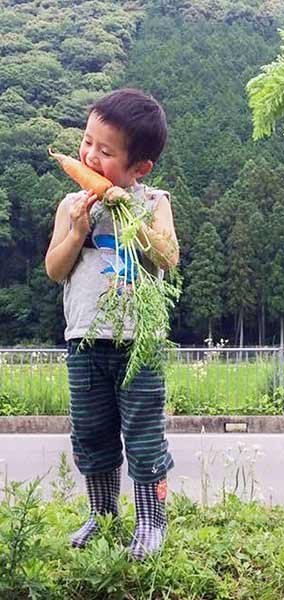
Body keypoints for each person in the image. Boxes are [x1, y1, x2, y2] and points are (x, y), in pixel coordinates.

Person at [45, 88, 179, 560]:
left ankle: (150, 520)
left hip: (138, 343)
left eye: (106, 151)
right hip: (84, 341)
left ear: (140, 167)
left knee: (144, 436)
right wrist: (79, 230)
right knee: (92, 434)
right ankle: (102, 516)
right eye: (88, 143)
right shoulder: (70, 205)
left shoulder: (154, 201)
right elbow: (55, 269)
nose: (90, 156)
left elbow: (167, 256)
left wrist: (129, 215)